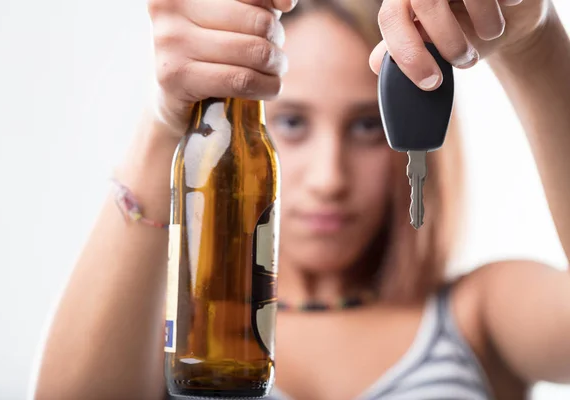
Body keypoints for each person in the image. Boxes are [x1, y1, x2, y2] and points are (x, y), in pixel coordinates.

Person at [32, 0, 570, 399]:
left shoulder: (482, 312)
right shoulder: (167, 332)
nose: (328, 177)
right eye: (290, 122)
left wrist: (535, 42)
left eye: (365, 126)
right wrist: (171, 122)